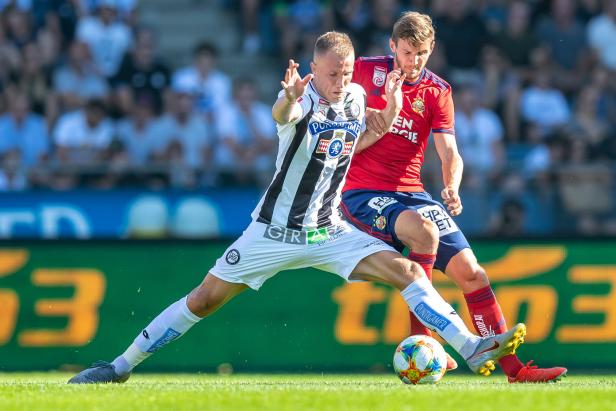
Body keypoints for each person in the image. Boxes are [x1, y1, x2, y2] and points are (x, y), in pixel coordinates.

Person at [68, 31, 525, 384]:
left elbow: (363, 136)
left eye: (346, 72)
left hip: (329, 231)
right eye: (331, 73)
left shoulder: (355, 98)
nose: (340, 81)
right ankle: (119, 366)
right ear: (313, 68)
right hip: (272, 233)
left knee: (409, 273)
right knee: (203, 300)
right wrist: (287, 97)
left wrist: (388, 110)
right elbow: (280, 118)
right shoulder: (302, 99)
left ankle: (471, 347)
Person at [340, 12, 566, 383]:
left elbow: (449, 152)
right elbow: (329, 95)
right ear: (392, 46)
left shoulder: (438, 90)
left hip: (412, 192)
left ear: (433, 50)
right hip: (362, 192)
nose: (414, 62)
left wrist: (451, 186)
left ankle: (515, 370)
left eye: (423, 54)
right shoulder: (364, 72)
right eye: (408, 52)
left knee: (473, 274)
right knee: (424, 233)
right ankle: (426, 341)